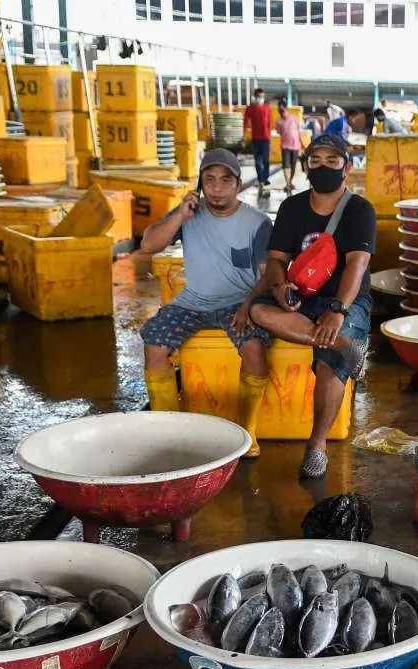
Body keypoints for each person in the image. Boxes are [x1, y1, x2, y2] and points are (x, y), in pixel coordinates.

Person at [248, 134, 375, 479]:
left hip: (348, 301)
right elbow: (276, 259)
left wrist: (337, 310)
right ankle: (347, 347)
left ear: (347, 167)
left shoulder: (359, 210)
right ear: (305, 166)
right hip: (301, 297)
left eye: (332, 161)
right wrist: (279, 288)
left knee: (329, 365)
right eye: (315, 160)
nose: (322, 167)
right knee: (258, 310)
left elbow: (357, 265)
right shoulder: (292, 207)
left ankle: (316, 447)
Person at [138, 149, 273, 457]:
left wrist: (248, 304)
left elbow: (268, 276)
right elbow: (148, 244)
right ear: (200, 184)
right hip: (191, 303)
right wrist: (179, 215)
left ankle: (246, 432)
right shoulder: (187, 215)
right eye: (209, 179)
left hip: (237, 304)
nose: (216, 187)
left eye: (226, 179)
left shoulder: (257, 223)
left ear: (238, 184)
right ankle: (168, 432)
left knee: (254, 347)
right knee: (154, 344)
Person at [243, 87, 273, 196]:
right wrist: (244, 135)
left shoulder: (267, 108)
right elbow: (245, 122)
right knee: (257, 161)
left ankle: (265, 178)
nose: (260, 98)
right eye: (258, 97)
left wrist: (269, 136)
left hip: (266, 139)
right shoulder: (250, 108)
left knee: (265, 160)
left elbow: (269, 122)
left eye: (262, 97)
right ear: (254, 97)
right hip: (255, 139)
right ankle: (260, 180)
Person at [276, 99, 302, 193]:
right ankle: (287, 184)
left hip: (296, 145)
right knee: (286, 165)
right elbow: (279, 133)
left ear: (286, 109)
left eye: (282, 110)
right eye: (279, 111)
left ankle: (290, 182)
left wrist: (302, 143)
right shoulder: (278, 122)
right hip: (285, 146)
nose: (281, 112)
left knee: (293, 165)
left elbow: (298, 131)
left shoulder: (294, 118)